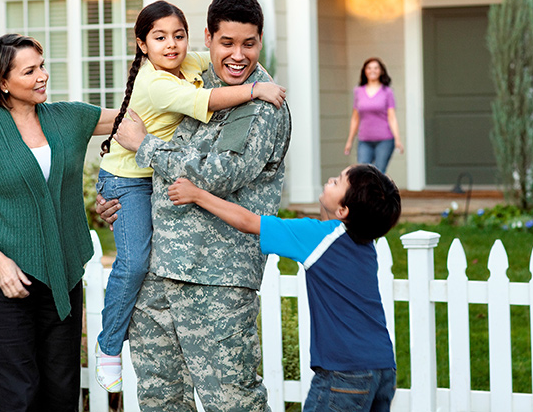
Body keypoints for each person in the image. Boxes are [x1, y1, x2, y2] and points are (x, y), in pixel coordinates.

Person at [102, 0, 292, 411]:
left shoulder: (263, 104)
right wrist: (117, 194)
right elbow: (144, 137)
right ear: (208, 38)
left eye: (249, 43)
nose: (238, 55)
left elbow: (221, 173)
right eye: (227, 43)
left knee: (231, 401)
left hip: (216, 280)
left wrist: (144, 147)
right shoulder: (186, 80)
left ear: (260, 41)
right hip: (158, 273)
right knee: (159, 398)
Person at [0, 34, 116, 411]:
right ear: (3, 83)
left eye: (42, 66)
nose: (42, 76)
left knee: (62, 393)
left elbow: (131, 117)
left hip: (63, 275)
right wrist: (0, 263)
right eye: (30, 71)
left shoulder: (69, 118)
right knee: (20, 397)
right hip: (5, 283)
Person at [167, 163, 401, 411]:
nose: (331, 178)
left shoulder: (319, 236)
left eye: (338, 181)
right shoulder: (365, 247)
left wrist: (197, 194)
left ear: (343, 210)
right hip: (383, 367)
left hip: (344, 370)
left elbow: (248, 222)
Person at [344, 57, 404, 173]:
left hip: (385, 140)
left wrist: (397, 139)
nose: (372, 70)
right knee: (362, 173)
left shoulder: (387, 91)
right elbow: (355, 118)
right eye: (369, 68)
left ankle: (380, 192)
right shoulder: (358, 91)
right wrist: (349, 141)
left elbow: (392, 117)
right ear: (364, 71)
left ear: (381, 71)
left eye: (376, 68)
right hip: (364, 140)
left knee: (379, 173)